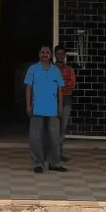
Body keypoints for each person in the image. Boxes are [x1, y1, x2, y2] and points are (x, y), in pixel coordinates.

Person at [24, 45, 66, 173]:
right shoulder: (32, 69)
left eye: (47, 52)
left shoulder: (56, 70)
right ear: (39, 54)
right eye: (42, 52)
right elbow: (28, 88)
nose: (45, 54)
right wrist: (28, 106)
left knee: (54, 138)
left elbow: (60, 90)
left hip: (53, 109)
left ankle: (54, 163)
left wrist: (60, 107)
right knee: (36, 138)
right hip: (37, 108)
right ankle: (38, 164)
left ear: (51, 55)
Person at [55, 45, 76, 162]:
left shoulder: (69, 70)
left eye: (62, 53)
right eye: (58, 53)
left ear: (64, 55)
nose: (60, 55)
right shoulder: (50, 69)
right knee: (52, 128)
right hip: (52, 101)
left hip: (66, 101)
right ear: (55, 55)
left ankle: (59, 153)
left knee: (62, 128)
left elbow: (71, 84)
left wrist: (59, 85)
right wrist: (62, 83)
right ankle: (51, 153)